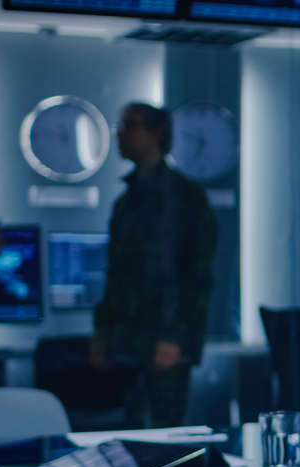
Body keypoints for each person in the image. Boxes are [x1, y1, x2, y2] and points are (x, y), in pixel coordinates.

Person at [90, 103, 217, 429]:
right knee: (131, 434)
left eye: (130, 126)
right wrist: (102, 334)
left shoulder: (185, 198)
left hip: (166, 340)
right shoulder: (126, 201)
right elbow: (115, 274)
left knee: (166, 435)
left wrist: (175, 339)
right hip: (127, 342)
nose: (120, 134)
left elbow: (196, 275)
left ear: (156, 133)